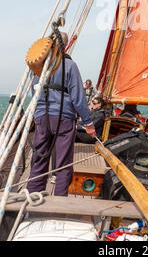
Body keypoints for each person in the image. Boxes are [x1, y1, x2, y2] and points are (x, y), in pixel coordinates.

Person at [27, 32, 96, 197]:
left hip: (42, 118)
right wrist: (88, 123)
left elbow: (34, 93)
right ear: (66, 46)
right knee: (63, 164)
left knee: (39, 158)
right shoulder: (70, 66)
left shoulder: (38, 65)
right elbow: (78, 98)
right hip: (63, 119)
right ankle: (58, 202)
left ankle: (31, 198)